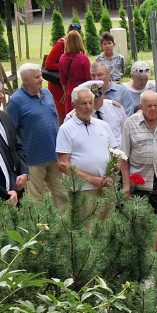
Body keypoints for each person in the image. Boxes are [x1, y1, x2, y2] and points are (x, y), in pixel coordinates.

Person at [120, 90, 157, 252]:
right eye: (149, 106)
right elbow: (123, 158)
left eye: (156, 105)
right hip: (139, 182)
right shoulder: (130, 124)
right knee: (140, 221)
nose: (153, 109)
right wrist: (126, 185)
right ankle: (143, 255)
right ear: (141, 106)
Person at [55, 86, 117, 221]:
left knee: (107, 228)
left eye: (90, 103)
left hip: (107, 186)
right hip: (83, 189)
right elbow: (62, 164)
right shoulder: (66, 129)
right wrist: (91, 179)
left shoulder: (103, 125)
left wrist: (111, 175)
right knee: (87, 229)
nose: (88, 107)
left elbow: (115, 154)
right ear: (74, 105)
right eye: (83, 103)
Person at [6, 64, 63, 206]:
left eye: (40, 75)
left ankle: (64, 225)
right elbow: (11, 131)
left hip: (54, 155)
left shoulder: (47, 93)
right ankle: (39, 227)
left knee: (62, 193)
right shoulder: (15, 101)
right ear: (25, 80)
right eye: (37, 77)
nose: (41, 79)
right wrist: (20, 159)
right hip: (32, 158)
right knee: (35, 198)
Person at [67, 79, 125, 146]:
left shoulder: (116, 108)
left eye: (99, 97)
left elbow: (124, 132)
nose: (96, 101)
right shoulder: (73, 116)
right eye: (92, 100)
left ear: (103, 94)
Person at [44, 21, 81, 122]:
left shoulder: (78, 46)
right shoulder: (60, 44)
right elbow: (49, 63)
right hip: (58, 86)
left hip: (71, 85)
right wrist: (66, 66)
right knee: (62, 117)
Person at [57, 30, 90, 117]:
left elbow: (63, 80)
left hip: (69, 91)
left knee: (71, 118)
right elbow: (89, 79)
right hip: (83, 89)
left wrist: (66, 91)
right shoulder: (83, 59)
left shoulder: (62, 58)